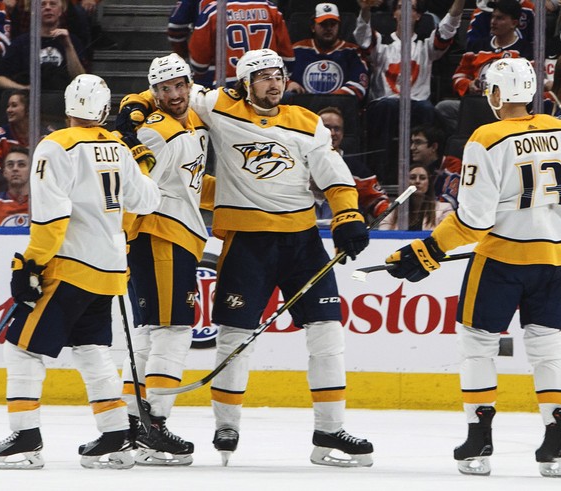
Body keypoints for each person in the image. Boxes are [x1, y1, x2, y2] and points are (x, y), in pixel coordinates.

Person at [116, 48, 373, 467]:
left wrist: (347, 215)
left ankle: (329, 430)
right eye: (263, 77)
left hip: (303, 242)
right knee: (235, 336)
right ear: (244, 83)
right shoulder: (217, 105)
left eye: (278, 75)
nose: (273, 83)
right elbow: (165, 91)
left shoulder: (307, 122)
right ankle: (226, 424)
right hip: (247, 244)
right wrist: (132, 107)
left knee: (328, 333)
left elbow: (332, 172)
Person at [385, 58, 561, 478]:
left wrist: (428, 250)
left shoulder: (485, 138)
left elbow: (473, 221)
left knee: (478, 343)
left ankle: (479, 437)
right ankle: (557, 440)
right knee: (547, 343)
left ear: (499, 93)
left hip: (503, 260)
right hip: (557, 261)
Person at [0, 74, 161, 470]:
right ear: (104, 110)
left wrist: (30, 263)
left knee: (24, 347)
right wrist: (143, 162)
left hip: (70, 266)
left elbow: (52, 218)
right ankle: (116, 437)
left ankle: (25, 439)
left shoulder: (54, 146)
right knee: (92, 349)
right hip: (110, 270)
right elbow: (147, 200)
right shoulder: (119, 147)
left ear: (67, 108)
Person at [119, 53, 214, 467]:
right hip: (161, 237)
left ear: (189, 85)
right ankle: (153, 427)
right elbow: (135, 186)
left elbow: (189, 183)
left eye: (179, 85)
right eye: (163, 89)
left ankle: (130, 425)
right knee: (172, 330)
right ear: (155, 93)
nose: (173, 95)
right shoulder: (161, 133)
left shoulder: (188, 121)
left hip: (166, 238)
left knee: (148, 334)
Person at [355, 0, 464, 183]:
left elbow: (448, 27)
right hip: (384, 102)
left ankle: (425, 175)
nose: (405, 12)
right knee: (387, 106)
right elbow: (363, 37)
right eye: (400, 8)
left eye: (411, 8)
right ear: (394, 14)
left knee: (428, 110)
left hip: (418, 103)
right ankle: (381, 177)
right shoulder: (383, 43)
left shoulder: (425, 45)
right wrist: (365, 10)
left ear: (418, 16)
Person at [435, 0, 533, 135]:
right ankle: (467, 141)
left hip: (508, 108)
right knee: (444, 108)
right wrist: (469, 85)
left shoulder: (525, 50)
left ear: (514, 23)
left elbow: (529, 85)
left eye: (500, 18)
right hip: (477, 103)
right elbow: (458, 76)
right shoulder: (477, 46)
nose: (493, 21)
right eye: (493, 17)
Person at [188, 0, 294, 87]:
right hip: (266, 85)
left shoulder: (212, 11)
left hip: (229, 86)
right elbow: (288, 59)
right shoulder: (272, 9)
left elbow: (199, 65)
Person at [318, 106, 391, 226]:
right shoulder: (298, 163)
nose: (332, 133)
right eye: (326, 127)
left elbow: (378, 202)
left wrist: (389, 226)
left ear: (342, 134)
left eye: (337, 129)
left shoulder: (357, 170)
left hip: (343, 231)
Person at [0, 0, 86, 91]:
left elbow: (81, 80)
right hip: (27, 100)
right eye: (42, 5)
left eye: (53, 4)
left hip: (61, 99)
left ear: (61, 10)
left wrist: (68, 46)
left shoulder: (72, 40)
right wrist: (25, 89)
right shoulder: (20, 42)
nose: (48, 8)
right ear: (33, 12)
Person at [286, 3, 369, 103]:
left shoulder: (352, 52)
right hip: (303, 109)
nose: (329, 28)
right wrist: (288, 83)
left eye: (333, 24)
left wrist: (332, 99)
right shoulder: (297, 50)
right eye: (323, 24)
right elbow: (278, 74)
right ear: (313, 27)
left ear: (339, 26)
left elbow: (360, 84)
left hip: (340, 108)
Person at [0, 90, 34, 190]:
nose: (8, 110)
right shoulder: (1, 136)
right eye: (8, 106)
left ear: (28, 109)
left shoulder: (46, 136)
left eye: (14, 105)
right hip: (7, 192)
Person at [465, 0, 535, 46]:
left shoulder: (529, 9)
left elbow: (535, 42)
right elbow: (473, 46)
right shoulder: (479, 14)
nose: (493, 21)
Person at [406, 163, 452, 230]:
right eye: (412, 178)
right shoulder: (393, 210)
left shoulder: (444, 209)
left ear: (429, 183)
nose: (417, 181)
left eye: (422, 178)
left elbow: (447, 234)